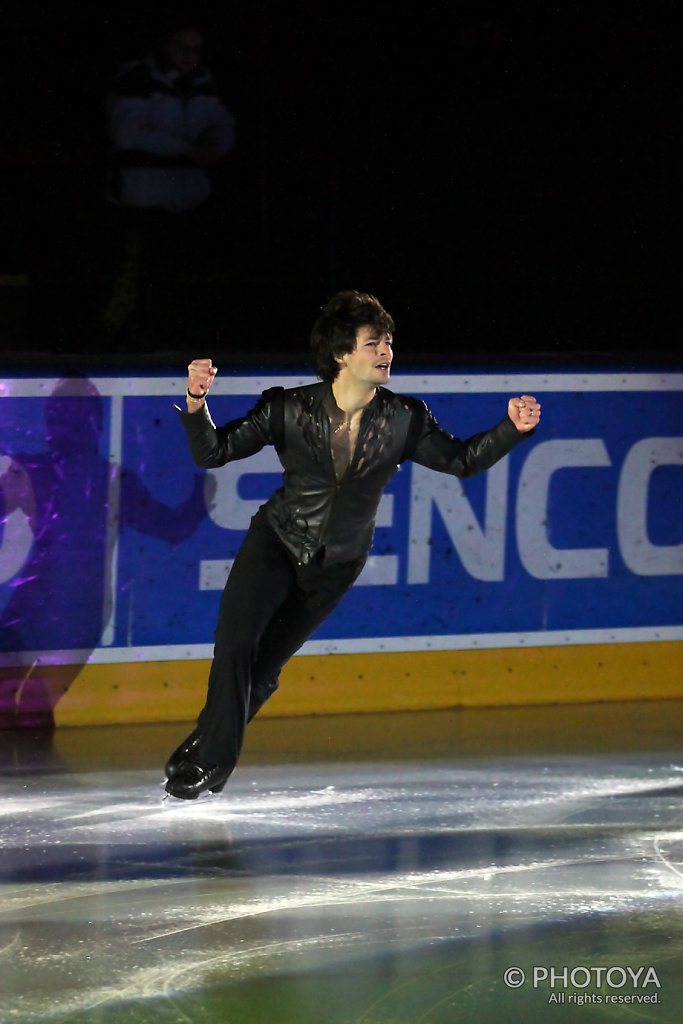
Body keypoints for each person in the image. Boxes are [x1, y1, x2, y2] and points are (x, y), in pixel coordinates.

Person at [164, 290, 541, 799]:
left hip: (335, 566)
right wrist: (196, 402)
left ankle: (202, 749)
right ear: (342, 354)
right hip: (274, 542)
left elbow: (462, 460)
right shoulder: (288, 408)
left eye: (388, 342)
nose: (386, 352)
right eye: (374, 343)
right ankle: (212, 764)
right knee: (234, 648)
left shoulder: (405, 418)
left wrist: (509, 430)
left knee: (264, 669)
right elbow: (214, 452)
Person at [102, 20, 236, 343]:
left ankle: (169, 338)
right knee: (134, 276)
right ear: (164, 45)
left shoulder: (203, 81)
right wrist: (188, 150)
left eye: (197, 49)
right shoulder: (138, 77)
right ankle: (117, 340)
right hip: (141, 199)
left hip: (186, 201)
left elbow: (223, 126)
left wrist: (214, 146)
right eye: (182, 47)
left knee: (177, 278)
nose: (191, 55)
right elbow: (127, 133)